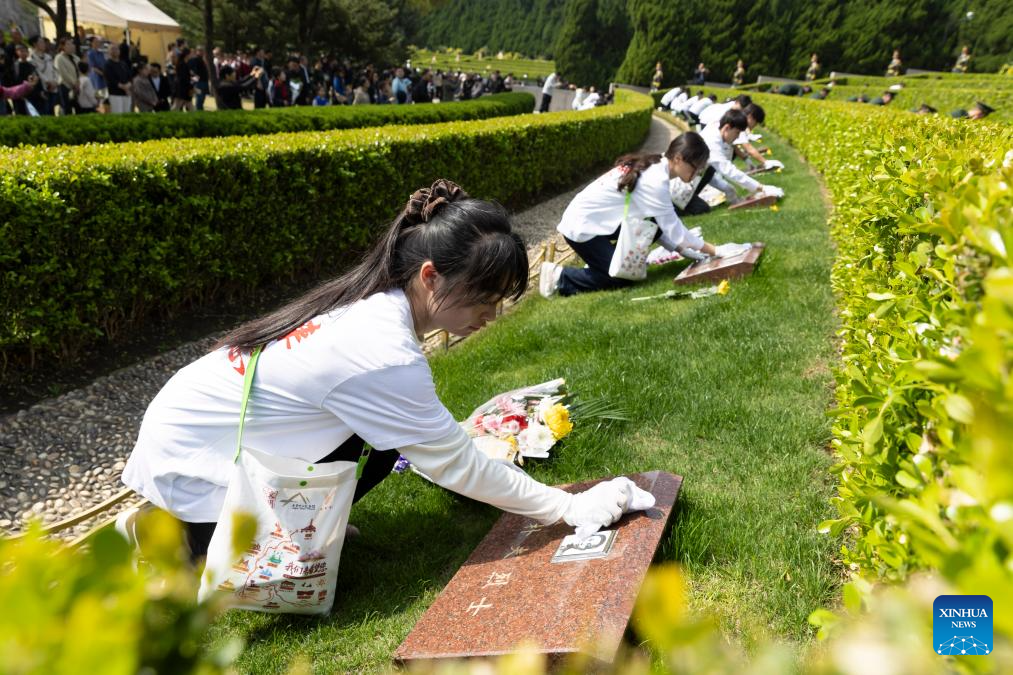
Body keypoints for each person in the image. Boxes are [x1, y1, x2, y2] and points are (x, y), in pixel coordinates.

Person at [119, 179, 655, 562]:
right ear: (430, 276)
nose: (489, 320)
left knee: (382, 446)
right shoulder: (381, 352)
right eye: (483, 302)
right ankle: (184, 536)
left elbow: (428, 446)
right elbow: (456, 465)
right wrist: (567, 506)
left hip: (193, 419)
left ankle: (265, 525)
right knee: (381, 450)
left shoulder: (374, 304)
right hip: (191, 455)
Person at [539, 134, 731, 298]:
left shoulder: (657, 165)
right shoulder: (656, 180)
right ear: (679, 158)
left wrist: (683, 251)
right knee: (621, 278)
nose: (697, 173)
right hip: (582, 227)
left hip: (598, 221)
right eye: (695, 167)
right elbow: (674, 229)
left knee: (642, 244)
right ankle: (560, 276)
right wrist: (715, 250)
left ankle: (599, 262)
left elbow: (657, 226)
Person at [699, 109, 779, 207]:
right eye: (737, 133)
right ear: (727, 128)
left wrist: (730, 191)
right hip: (686, 184)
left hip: (700, 175)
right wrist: (760, 187)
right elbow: (728, 170)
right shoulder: (712, 142)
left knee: (726, 188)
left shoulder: (717, 128)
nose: (737, 137)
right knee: (701, 208)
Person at [28, 34, 58, 115]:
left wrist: (55, 81)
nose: (44, 44)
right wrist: (48, 82)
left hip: (53, 88)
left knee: (52, 113)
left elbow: (54, 70)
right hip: (43, 90)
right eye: (41, 42)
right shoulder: (31, 59)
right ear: (35, 44)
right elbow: (37, 73)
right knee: (45, 113)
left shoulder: (48, 57)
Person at [54, 36, 79, 115]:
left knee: (78, 108)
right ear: (62, 46)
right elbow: (63, 73)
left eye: (72, 44)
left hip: (77, 87)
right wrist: (74, 83)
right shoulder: (59, 58)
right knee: (67, 109)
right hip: (65, 86)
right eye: (68, 44)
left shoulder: (76, 58)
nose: (71, 46)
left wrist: (78, 83)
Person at [104, 44, 132, 113]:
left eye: (117, 49)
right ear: (108, 52)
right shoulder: (107, 64)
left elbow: (129, 77)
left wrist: (128, 86)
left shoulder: (123, 63)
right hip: (115, 94)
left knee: (127, 113)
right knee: (118, 114)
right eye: (112, 49)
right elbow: (111, 80)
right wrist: (124, 87)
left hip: (127, 93)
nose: (115, 51)